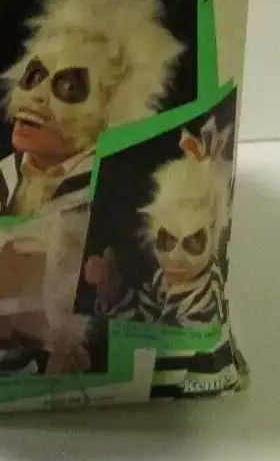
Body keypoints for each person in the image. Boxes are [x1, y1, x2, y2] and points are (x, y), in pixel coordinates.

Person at [0, 0, 184, 376]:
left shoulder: (113, 200)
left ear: (110, 109)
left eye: (68, 86)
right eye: (33, 76)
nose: (35, 95)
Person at [85, 116, 233, 327]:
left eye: (194, 242)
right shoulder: (162, 278)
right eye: (167, 241)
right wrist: (108, 288)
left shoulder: (207, 298)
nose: (175, 257)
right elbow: (139, 319)